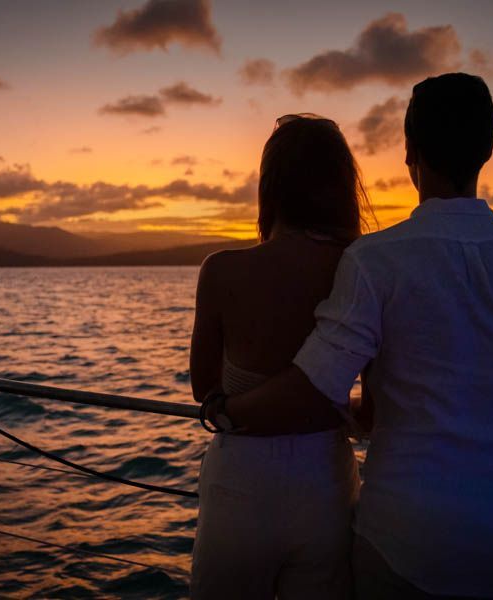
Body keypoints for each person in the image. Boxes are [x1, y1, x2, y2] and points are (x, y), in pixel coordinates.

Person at [205, 73, 493, 598]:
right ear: (489, 149)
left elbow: (316, 386)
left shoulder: (376, 261)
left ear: (410, 151)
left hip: (408, 544)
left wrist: (226, 411)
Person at [189, 113, 372, 599]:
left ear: (270, 186)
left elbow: (203, 387)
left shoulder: (222, 271)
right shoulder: (361, 270)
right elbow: (375, 406)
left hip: (241, 475)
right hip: (325, 481)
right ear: (340, 187)